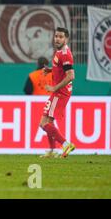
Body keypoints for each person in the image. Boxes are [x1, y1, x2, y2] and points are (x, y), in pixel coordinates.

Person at [39, 27, 76, 159]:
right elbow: (62, 69)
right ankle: (52, 150)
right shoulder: (59, 52)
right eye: (56, 36)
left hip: (60, 93)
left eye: (60, 37)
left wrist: (55, 88)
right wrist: (51, 70)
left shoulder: (65, 54)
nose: (57, 39)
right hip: (59, 92)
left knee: (44, 123)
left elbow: (71, 75)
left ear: (66, 39)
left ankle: (66, 144)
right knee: (47, 122)